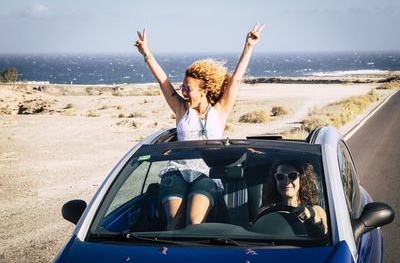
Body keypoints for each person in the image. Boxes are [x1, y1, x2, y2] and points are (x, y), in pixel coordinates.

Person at [134, 24, 264, 229]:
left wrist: (248, 46)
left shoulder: (220, 110)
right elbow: (163, 81)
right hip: (178, 170)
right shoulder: (180, 108)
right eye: (182, 86)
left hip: (208, 172)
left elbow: (236, 81)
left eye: (188, 88)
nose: (183, 91)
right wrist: (146, 53)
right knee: (174, 221)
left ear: (204, 90)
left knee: (195, 222)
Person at [260, 160, 328, 236]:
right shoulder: (267, 211)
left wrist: (311, 214)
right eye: (280, 177)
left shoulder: (316, 211)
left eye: (292, 176)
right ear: (275, 180)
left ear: (302, 178)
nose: (286, 181)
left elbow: (324, 237)